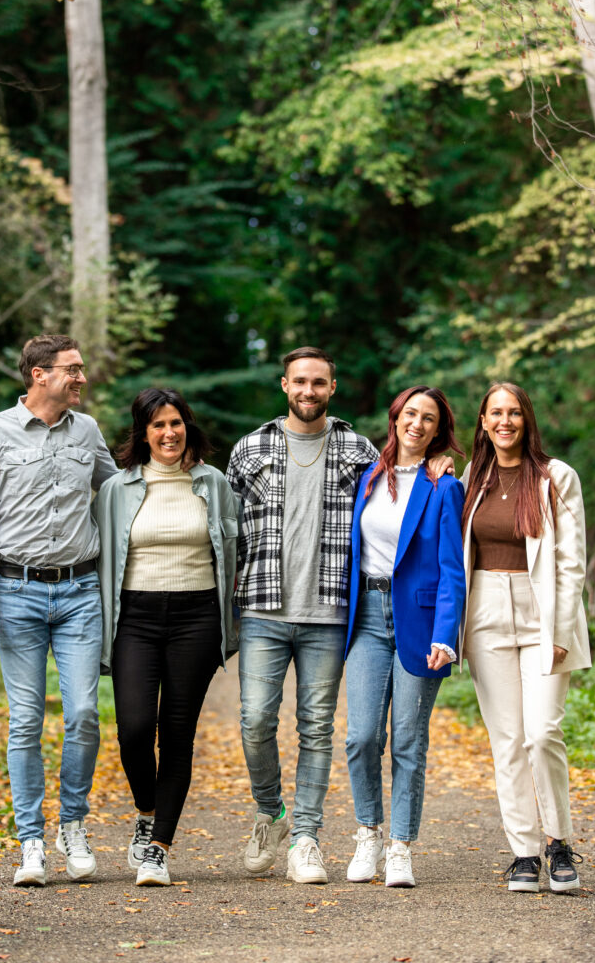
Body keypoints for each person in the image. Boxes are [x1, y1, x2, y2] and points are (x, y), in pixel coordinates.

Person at [0, 335, 118, 887]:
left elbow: (117, 495)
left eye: (81, 368)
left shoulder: (88, 431)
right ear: (39, 375)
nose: (82, 377)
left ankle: (72, 824)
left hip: (79, 594)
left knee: (84, 716)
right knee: (25, 721)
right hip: (17, 594)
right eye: (72, 370)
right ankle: (30, 842)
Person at [225, 347, 380, 883]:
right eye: (299, 382)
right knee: (254, 723)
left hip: (330, 612)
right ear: (284, 385)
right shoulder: (249, 448)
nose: (308, 391)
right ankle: (271, 812)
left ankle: (306, 839)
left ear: (332, 387)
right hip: (264, 608)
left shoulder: (360, 451)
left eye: (318, 382)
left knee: (316, 728)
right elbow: (227, 534)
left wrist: (435, 463)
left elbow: (395, 507)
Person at [92, 388, 238, 887]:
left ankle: (158, 848)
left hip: (197, 616)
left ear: (187, 427)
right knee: (134, 729)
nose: (168, 433)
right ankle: (146, 810)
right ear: (143, 433)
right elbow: (93, 549)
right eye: (158, 425)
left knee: (177, 734)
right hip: (135, 615)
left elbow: (237, 549)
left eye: (175, 423)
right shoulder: (116, 489)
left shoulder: (213, 484)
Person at [459, 382, 591, 893]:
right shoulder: (474, 475)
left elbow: (570, 561)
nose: (505, 421)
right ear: (484, 421)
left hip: (542, 613)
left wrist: (559, 629)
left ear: (526, 419)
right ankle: (523, 854)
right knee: (507, 742)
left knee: (541, 733)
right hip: (487, 612)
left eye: (514, 412)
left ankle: (559, 841)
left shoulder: (557, 477)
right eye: (496, 413)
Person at [344, 385, 466, 887]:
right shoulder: (368, 476)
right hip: (367, 618)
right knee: (361, 736)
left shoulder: (443, 486)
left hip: (419, 622)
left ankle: (400, 846)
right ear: (395, 419)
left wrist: (446, 633)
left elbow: (452, 569)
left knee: (408, 741)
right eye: (410, 413)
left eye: (429, 418)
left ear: (439, 430)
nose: (417, 423)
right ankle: (368, 833)